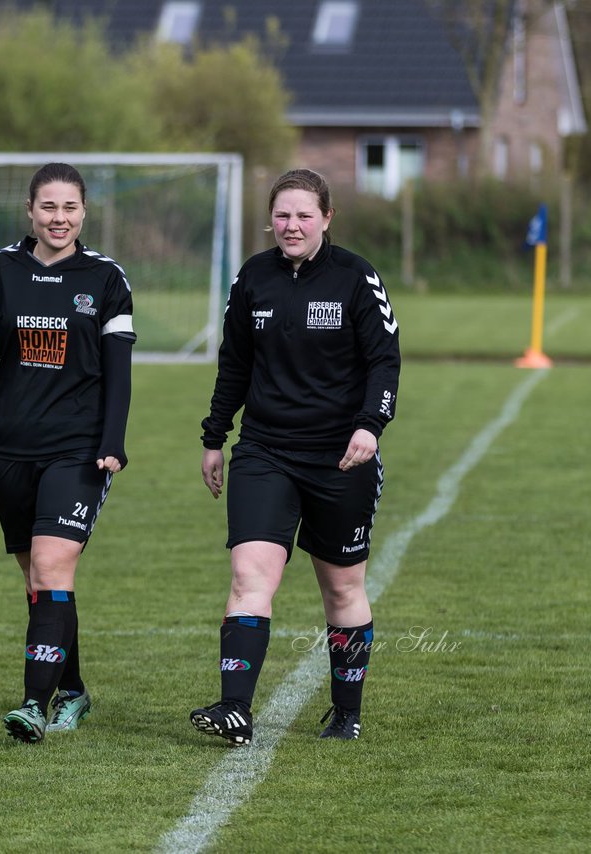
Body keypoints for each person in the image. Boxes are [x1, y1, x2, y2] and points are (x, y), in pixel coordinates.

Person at [0, 163, 135, 743]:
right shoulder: (2, 269)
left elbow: (119, 372)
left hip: (79, 451)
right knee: (40, 581)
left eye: (69, 208)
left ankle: (33, 705)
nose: (59, 218)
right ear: (30, 210)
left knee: (51, 567)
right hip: (10, 451)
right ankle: (73, 690)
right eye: (48, 207)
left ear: (84, 211)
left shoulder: (107, 278)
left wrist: (113, 441)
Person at [189, 168, 400, 744]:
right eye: (282, 215)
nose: (292, 225)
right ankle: (235, 709)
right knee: (249, 573)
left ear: (327, 218)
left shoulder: (357, 277)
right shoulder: (252, 278)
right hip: (265, 450)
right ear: (270, 220)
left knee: (341, 589)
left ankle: (347, 713)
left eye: (305, 215)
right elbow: (233, 364)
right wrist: (215, 437)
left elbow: (384, 361)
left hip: (341, 457)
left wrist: (370, 426)